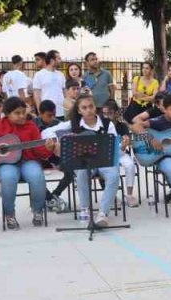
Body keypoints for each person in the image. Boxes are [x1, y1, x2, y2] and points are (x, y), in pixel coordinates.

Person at [0, 97, 52, 230]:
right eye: (17, 113)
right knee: (8, 178)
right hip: (5, 163)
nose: (22, 116)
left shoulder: (31, 126)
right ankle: (9, 214)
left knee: (37, 177)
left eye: (23, 112)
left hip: (28, 161)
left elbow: (41, 152)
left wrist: (48, 148)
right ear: (7, 114)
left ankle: (37, 210)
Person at [42, 94, 123, 226]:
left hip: (104, 162)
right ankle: (85, 209)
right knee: (81, 174)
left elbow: (114, 147)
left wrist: (122, 146)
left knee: (114, 175)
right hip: (83, 162)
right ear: (79, 110)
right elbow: (46, 132)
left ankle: (103, 213)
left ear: (95, 107)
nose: (88, 110)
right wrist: (54, 142)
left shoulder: (107, 124)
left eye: (91, 106)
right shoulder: (73, 124)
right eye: (84, 108)